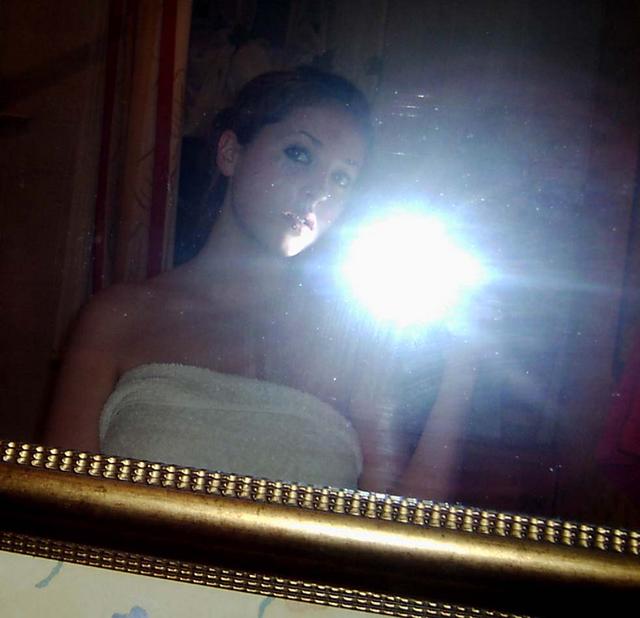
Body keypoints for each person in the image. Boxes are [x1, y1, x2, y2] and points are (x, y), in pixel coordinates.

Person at [45, 67, 478, 497]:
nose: (318, 192)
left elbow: (399, 523)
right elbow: (58, 510)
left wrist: (463, 366)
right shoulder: (116, 319)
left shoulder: (356, 344)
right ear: (231, 153)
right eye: (299, 154)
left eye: (341, 177)